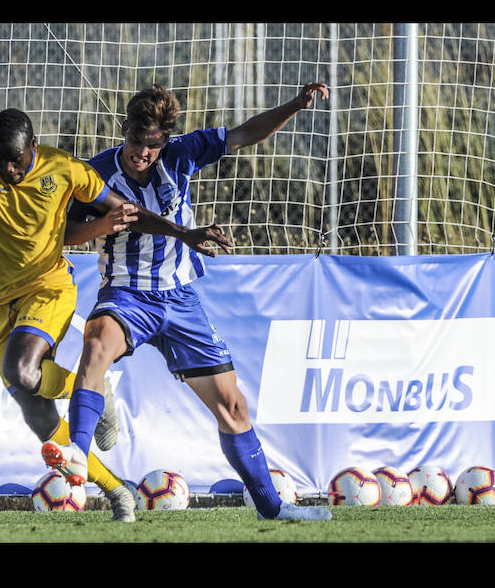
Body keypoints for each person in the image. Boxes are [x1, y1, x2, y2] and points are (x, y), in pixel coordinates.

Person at [0, 108, 226, 522]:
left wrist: (184, 233)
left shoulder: (64, 168)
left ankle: (87, 389)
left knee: (23, 372)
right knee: (39, 417)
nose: (8, 169)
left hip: (48, 288)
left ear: (34, 149)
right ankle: (117, 491)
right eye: (1, 159)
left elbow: (127, 210)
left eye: (17, 161)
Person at [42, 83, 333, 521]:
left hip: (180, 300)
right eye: (136, 142)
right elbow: (63, 235)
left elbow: (244, 134)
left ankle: (273, 509)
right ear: (125, 130)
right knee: (97, 342)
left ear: (165, 140)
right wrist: (103, 224)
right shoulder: (95, 174)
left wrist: (294, 105)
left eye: (152, 146)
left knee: (233, 408)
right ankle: (78, 454)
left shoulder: (183, 153)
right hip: (126, 293)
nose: (142, 153)